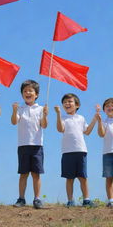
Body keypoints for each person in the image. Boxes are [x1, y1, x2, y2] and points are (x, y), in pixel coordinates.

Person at [54, 93, 98, 207]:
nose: (67, 104)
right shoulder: (63, 118)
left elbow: (87, 131)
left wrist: (94, 119)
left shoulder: (81, 118)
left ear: (77, 105)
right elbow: (60, 129)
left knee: (83, 177)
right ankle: (70, 201)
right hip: (67, 152)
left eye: (70, 101)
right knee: (69, 178)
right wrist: (58, 114)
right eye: (65, 102)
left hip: (81, 150)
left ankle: (86, 200)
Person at [11, 80, 48, 209]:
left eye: (30, 91)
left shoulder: (41, 108)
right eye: (25, 91)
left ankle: (37, 199)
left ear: (36, 94)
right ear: (22, 94)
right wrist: (14, 110)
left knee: (36, 174)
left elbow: (44, 125)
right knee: (23, 173)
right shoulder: (20, 108)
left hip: (37, 145)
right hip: (23, 145)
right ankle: (21, 198)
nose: (28, 93)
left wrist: (45, 115)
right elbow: (14, 121)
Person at [97, 98, 113, 207]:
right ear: (104, 110)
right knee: (109, 178)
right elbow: (101, 134)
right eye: (107, 106)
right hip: (108, 153)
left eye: (112, 105)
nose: (110, 107)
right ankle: (111, 200)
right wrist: (99, 121)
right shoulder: (104, 121)